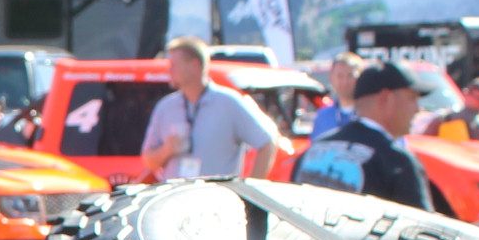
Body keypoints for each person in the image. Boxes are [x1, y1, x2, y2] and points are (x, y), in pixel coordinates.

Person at [291, 60, 433, 210]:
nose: (418, 109)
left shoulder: (310, 153)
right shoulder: (397, 163)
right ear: (386, 98)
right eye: (412, 98)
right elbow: (420, 230)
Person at [141, 36, 281, 181]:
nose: (169, 70)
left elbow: (267, 143)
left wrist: (250, 189)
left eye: (174, 65)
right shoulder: (166, 107)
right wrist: (167, 150)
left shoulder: (228, 103)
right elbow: (148, 161)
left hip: (216, 200)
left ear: (194, 65)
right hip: (176, 200)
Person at [310, 52, 366, 140]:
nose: (345, 81)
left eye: (350, 75)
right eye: (340, 76)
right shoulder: (323, 117)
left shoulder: (370, 115)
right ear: (331, 78)